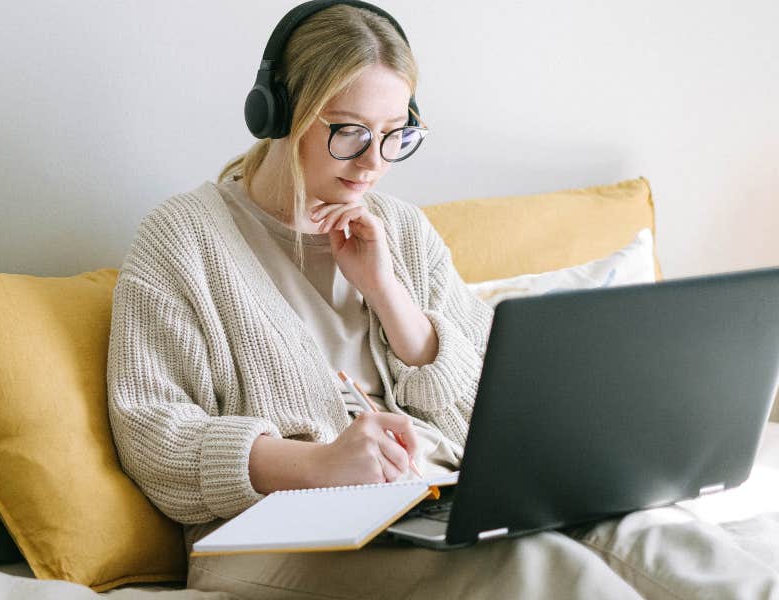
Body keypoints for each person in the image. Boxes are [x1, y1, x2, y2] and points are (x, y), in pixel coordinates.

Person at [106, 2, 779, 598]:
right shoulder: (184, 239)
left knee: (667, 543)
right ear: (280, 114)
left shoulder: (399, 229)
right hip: (270, 538)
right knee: (547, 572)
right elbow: (152, 434)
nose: (373, 163)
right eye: (348, 131)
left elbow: (493, 406)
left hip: (435, 502)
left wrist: (390, 296)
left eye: (394, 133)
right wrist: (315, 464)